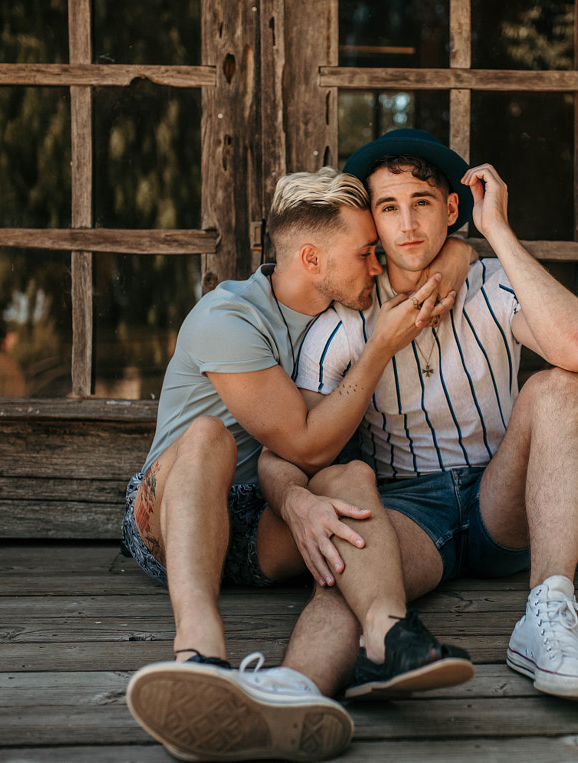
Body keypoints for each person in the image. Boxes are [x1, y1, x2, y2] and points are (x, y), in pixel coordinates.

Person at [123, 166, 474, 763]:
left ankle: (388, 640)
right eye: (365, 252)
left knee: (356, 482)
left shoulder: (346, 306)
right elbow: (307, 443)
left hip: (264, 523)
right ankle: (199, 655)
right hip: (175, 511)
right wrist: (381, 347)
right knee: (210, 437)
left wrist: (460, 251)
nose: (375, 264)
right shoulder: (228, 318)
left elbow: (453, 255)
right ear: (311, 260)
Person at [279, 128, 578, 702]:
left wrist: (495, 231)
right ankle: (290, 692)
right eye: (389, 207)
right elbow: (299, 449)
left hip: (498, 503)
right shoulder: (342, 324)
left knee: (560, 386)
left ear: (452, 208)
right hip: (410, 514)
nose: (406, 224)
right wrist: (295, 499)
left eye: (422, 203)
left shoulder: (490, 283)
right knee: (352, 576)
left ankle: (547, 612)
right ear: (372, 222)